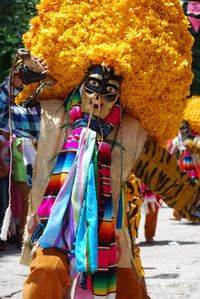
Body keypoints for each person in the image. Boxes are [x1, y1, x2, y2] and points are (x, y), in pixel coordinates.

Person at [1, 1, 200, 298]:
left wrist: (194, 203)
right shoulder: (50, 116)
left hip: (109, 238)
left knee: (130, 292)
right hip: (55, 230)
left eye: (109, 92)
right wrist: (16, 82)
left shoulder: (130, 132)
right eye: (92, 86)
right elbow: (4, 117)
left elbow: (165, 175)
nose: (97, 98)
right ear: (81, 84)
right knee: (46, 274)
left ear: (120, 96)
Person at [0, 130, 10, 251]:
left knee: (3, 208)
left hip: (4, 176)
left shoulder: (5, 139)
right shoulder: (3, 139)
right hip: (3, 176)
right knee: (2, 208)